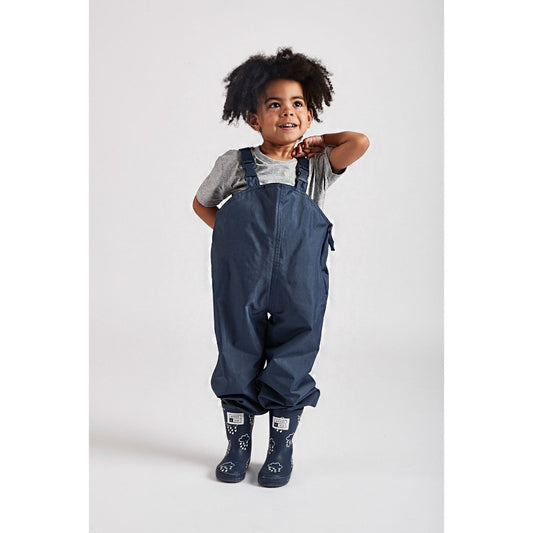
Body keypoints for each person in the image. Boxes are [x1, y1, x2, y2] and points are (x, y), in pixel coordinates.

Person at [192, 47, 369, 487]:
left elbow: (359, 142)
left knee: (295, 352)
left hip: (300, 278)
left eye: (297, 104)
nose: (287, 112)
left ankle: (280, 446)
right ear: (254, 119)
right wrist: (234, 241)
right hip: (242, 276)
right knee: (237, 349)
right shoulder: (235, 163)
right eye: (274, 104)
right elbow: (203, 204)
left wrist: (323, 141)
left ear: (309, 115)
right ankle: (238, 444)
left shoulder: (318, 166)